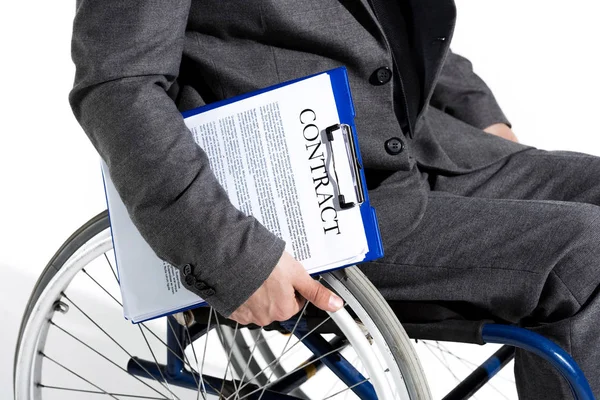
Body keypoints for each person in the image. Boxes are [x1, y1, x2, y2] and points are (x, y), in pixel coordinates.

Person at [69, 0, 599, 398]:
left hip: (425, 142)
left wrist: (478, 112)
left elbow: (387, 18)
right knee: (585, 250)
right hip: (312, 197)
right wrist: (228, 253)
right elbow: (119, 87)